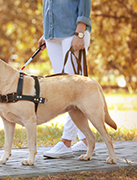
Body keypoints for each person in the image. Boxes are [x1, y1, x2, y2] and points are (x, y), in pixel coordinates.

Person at [38, 0, 92, 158]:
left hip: (72, 34)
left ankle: (66, 141)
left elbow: (84, 3)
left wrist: (80, 33)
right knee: (63, 90)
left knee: (73, 90)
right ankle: (85, 140)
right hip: (53, 37)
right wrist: (48, 32)